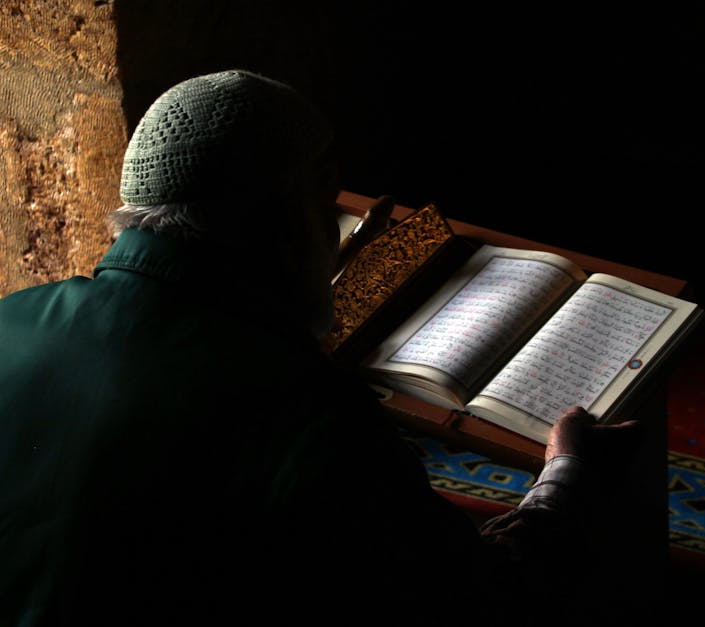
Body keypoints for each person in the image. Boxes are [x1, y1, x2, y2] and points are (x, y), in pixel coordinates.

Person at [0, 69, 647, 627]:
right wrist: (568, 472)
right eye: (328, 210)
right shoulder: (316, 418)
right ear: (289, 224)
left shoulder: (12, 317)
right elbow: (482, 596)